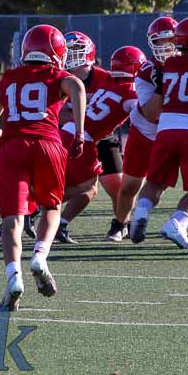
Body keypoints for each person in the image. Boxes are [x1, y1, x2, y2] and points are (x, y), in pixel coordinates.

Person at [0, 25, 87, 311]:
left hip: (14, 148)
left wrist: (11, 140)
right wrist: (79, 133)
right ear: (56, 53)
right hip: (48, 145)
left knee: (13, 219)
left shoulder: (11, 77)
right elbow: (77, 86)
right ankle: (39, 256)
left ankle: (14, 278)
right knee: (51, 208)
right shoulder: (57, 75)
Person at [130, 17, 188, 249]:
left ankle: (140, 214)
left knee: (155, 181)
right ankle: (177, 223)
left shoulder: (167, 64)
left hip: (166, 129)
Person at [58, 45, 144, 243]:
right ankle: (60, 224)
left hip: (69, 131)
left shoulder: (108, 81)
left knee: (74, 185)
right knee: (89, 189)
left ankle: (33, 209)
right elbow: (144, 114)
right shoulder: (131, 91)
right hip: (84, 139)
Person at [111, 16, 179, 241]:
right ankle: (119, 224)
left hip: (174, 133)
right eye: (161, 41)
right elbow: (151, 113)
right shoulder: (146, 72)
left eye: (171, 40)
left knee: (162, 183)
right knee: (130, 185)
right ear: (152, 44)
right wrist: (160, 87)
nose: (167, 46)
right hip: (146, 132)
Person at [53, 31, 112, 243]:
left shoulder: (104, 78)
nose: (72, 56)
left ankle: (121, 223)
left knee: (115, 184)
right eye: (69, 51)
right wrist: (81, 117)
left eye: (77, 51)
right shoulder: (61, 78)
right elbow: (56, 111)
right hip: (70, 136)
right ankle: (55, 221)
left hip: (98, 137)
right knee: (88, 187)